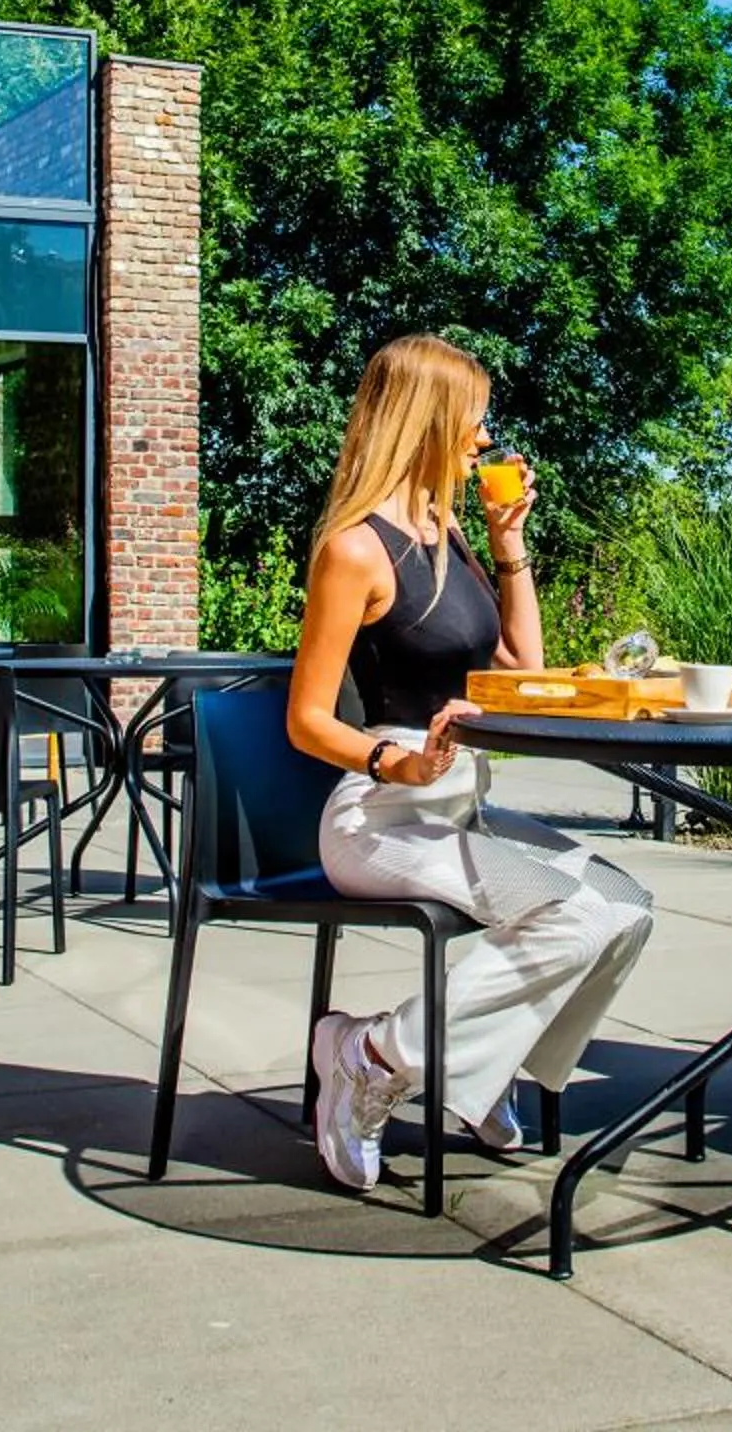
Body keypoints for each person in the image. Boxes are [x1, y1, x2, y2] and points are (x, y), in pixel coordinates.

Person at [284, 334, 656, 1193]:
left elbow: (522, 671)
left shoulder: (448, 531)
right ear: (426, 423)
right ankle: (368, 1056)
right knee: (570, 918)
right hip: (378, 814)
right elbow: (306, 721)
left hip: (458, 806)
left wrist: (508, 544)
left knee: (627, 908)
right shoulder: (356, 549)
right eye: (474, 423)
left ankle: (471, 1071)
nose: (484, 442)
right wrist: (396, 763)